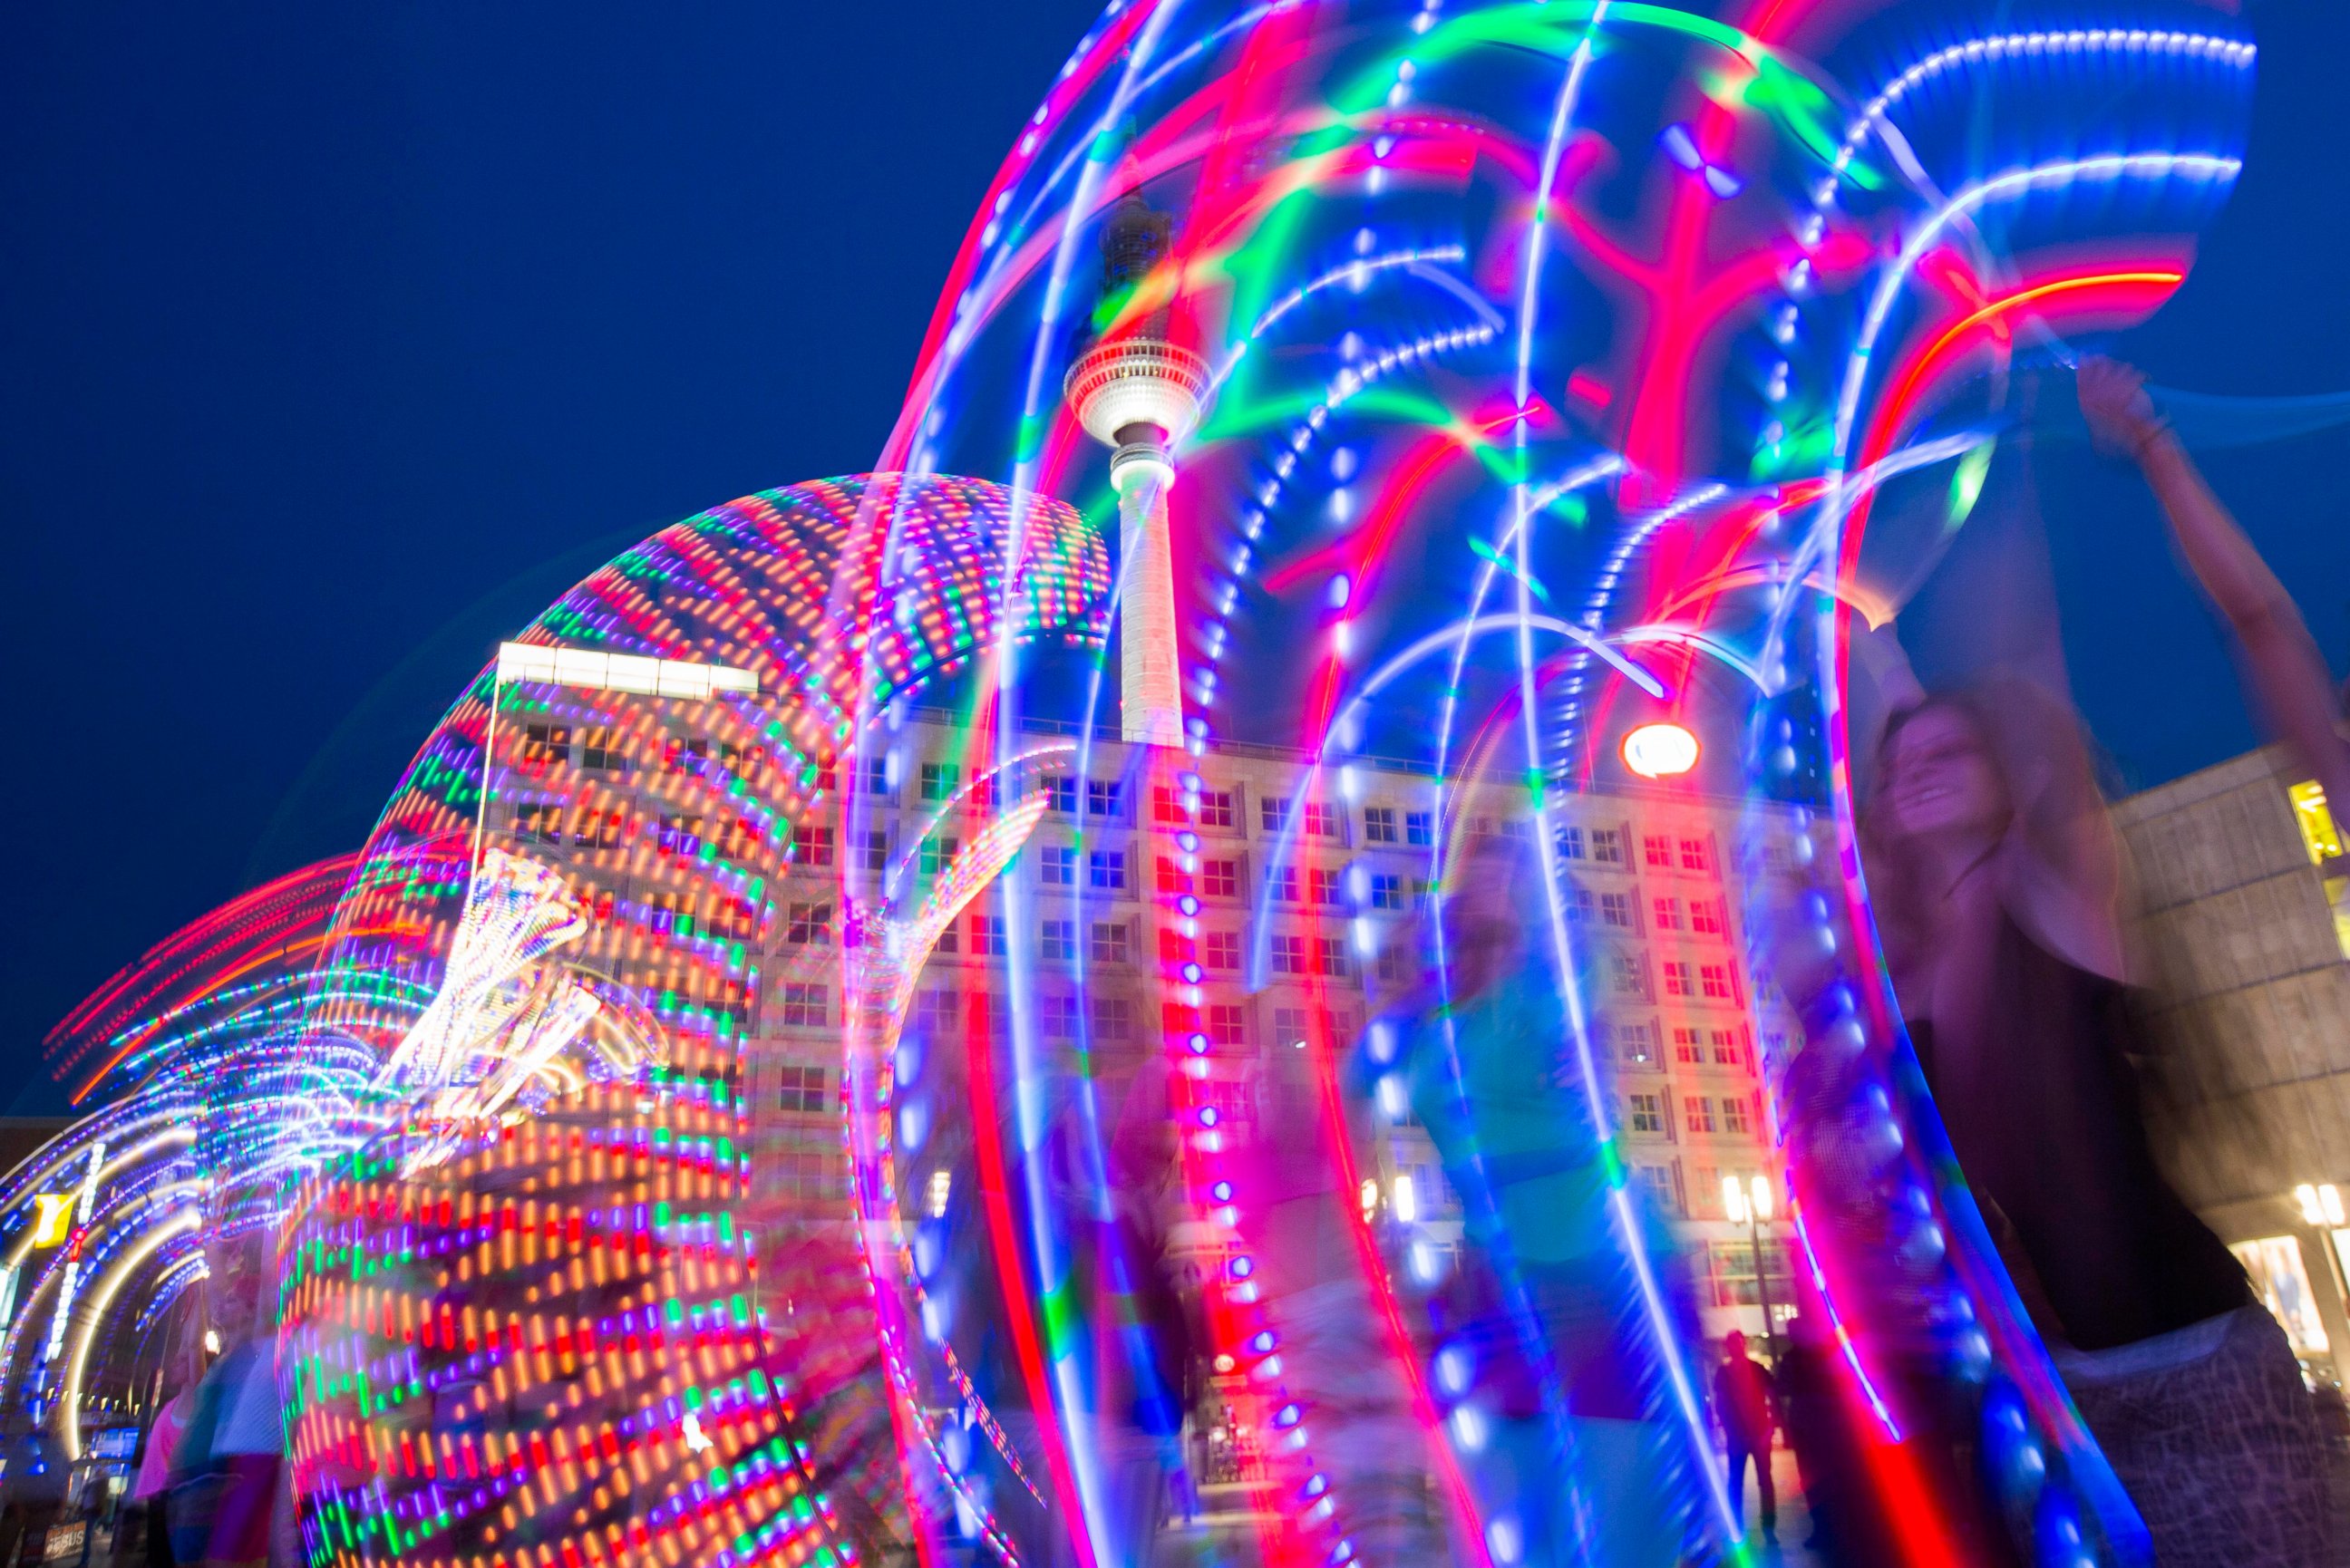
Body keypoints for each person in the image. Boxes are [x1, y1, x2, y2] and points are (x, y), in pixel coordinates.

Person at [1862, 674, 2334, 1564]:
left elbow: (2026, 677)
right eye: (1898, 769)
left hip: (2204, 1367)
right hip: (2068, 1392)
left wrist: (1892, 626)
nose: (1914, 774)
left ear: (2008, 777)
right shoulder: (1911, 961)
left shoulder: (2055, 897)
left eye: (1946, 754)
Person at [1713, 1331, 1777, 1540]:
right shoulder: (1748, 1370)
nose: (1736, 1348)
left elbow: (1720, 1403)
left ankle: (1741, 1524)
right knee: (1757, 1480)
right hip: (1747, 1434)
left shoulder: (1727, 1372)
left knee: (1744, 1480)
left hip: (1749, 1434)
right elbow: (1772, 1396)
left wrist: (1770, 1427)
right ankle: (1763, 1524)